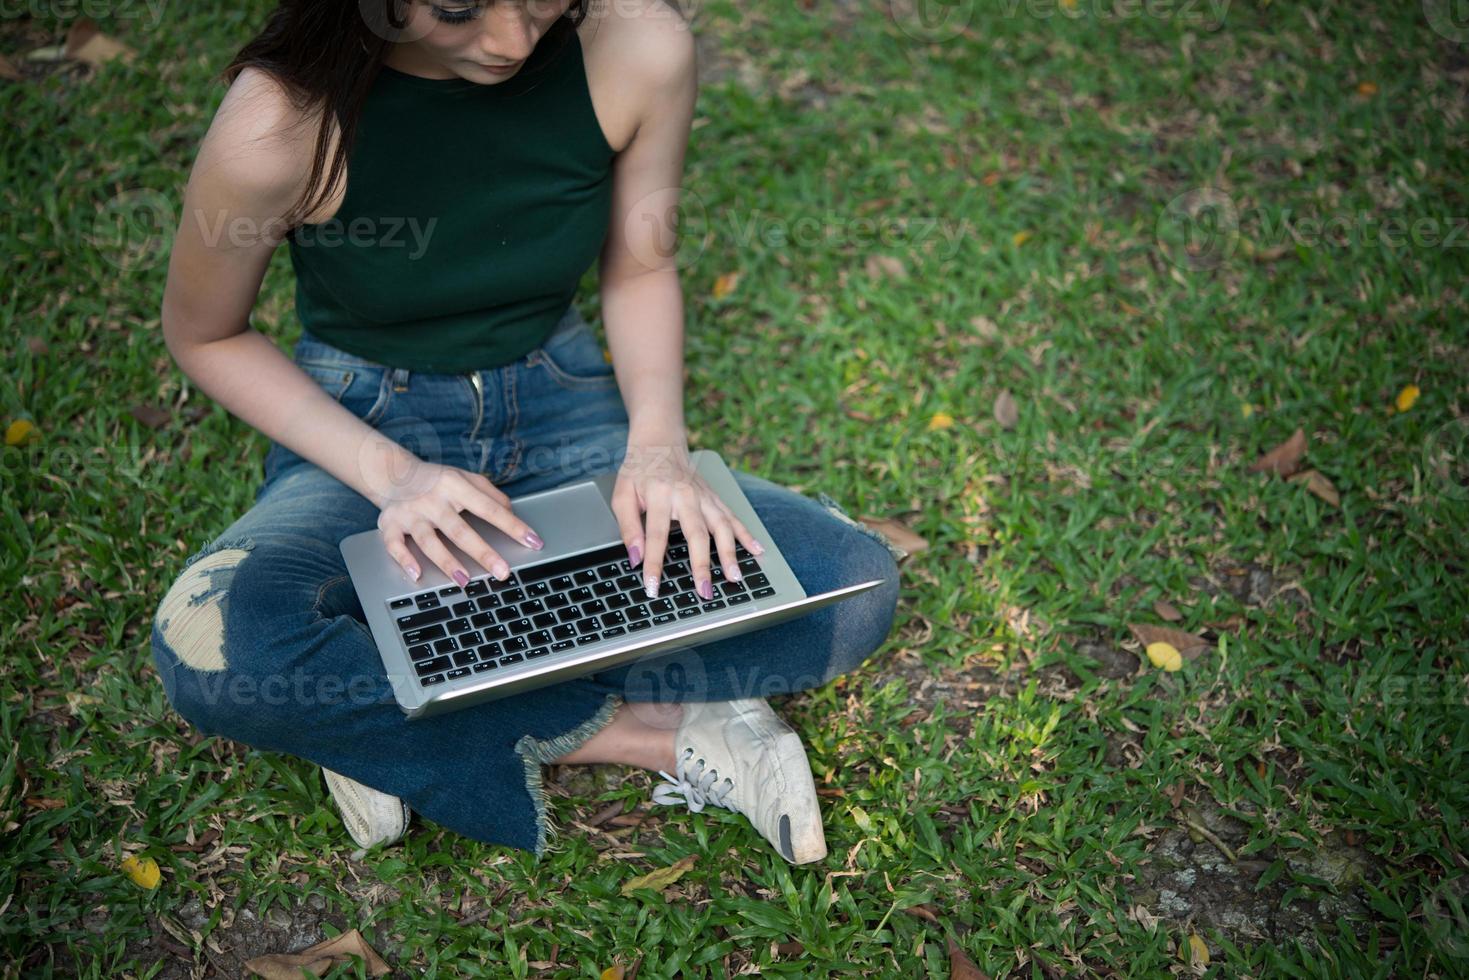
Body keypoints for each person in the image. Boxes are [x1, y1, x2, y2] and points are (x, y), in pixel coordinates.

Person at [149, 0, 902, 865]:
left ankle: (383, 700)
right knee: (213, 651)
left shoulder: (639, 45)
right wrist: (394, 477)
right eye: (456, 9)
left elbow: (642, 262)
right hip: (363, 421)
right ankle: (656, 733)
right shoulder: (275, 123)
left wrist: (657, 445)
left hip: (564, 394)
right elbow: (205, 332)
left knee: (849, 588)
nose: (512, 41)